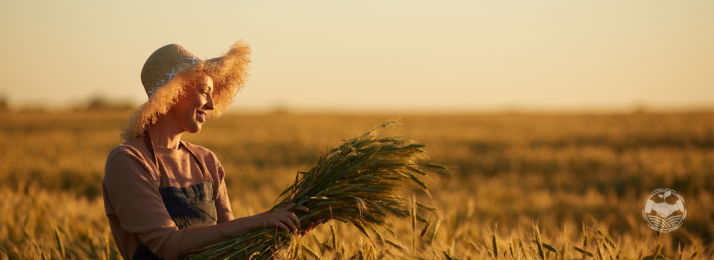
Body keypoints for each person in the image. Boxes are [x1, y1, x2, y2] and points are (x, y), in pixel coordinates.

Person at [103, 41, 323, 260]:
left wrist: (285, 226)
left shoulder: (206, 160)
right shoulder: (129, 160)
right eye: (204, 91)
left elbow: (233, 246)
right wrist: (259, 219)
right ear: (173, 91)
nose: (211, 104)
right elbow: (168, 244)